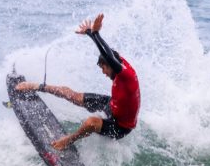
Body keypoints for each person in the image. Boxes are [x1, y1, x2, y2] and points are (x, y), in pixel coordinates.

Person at [15, 13, 140, 150]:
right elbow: (108, 51)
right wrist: (89, 33)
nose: (103, 73)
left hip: (121, 126)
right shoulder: (121, 62)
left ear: (111, 65)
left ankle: (67, 141)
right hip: (112, 104)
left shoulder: (125, 74)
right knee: (72, 95)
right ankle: (36, 86)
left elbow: (108, 55)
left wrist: (96, 33)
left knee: (90, 122)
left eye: (104, 69)